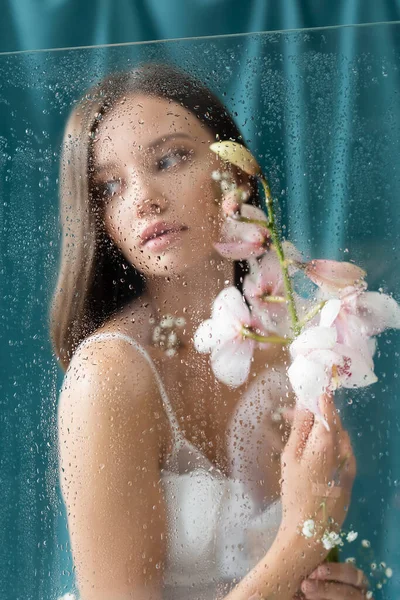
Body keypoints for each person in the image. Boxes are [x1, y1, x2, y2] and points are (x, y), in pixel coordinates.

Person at [50, 63, 369, 600]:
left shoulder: (301, 335)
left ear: (238, 174)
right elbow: (298, 540)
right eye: (107, 186)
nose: (143, 198)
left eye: (170, 158)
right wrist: (298, 545)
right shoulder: (106, 377)